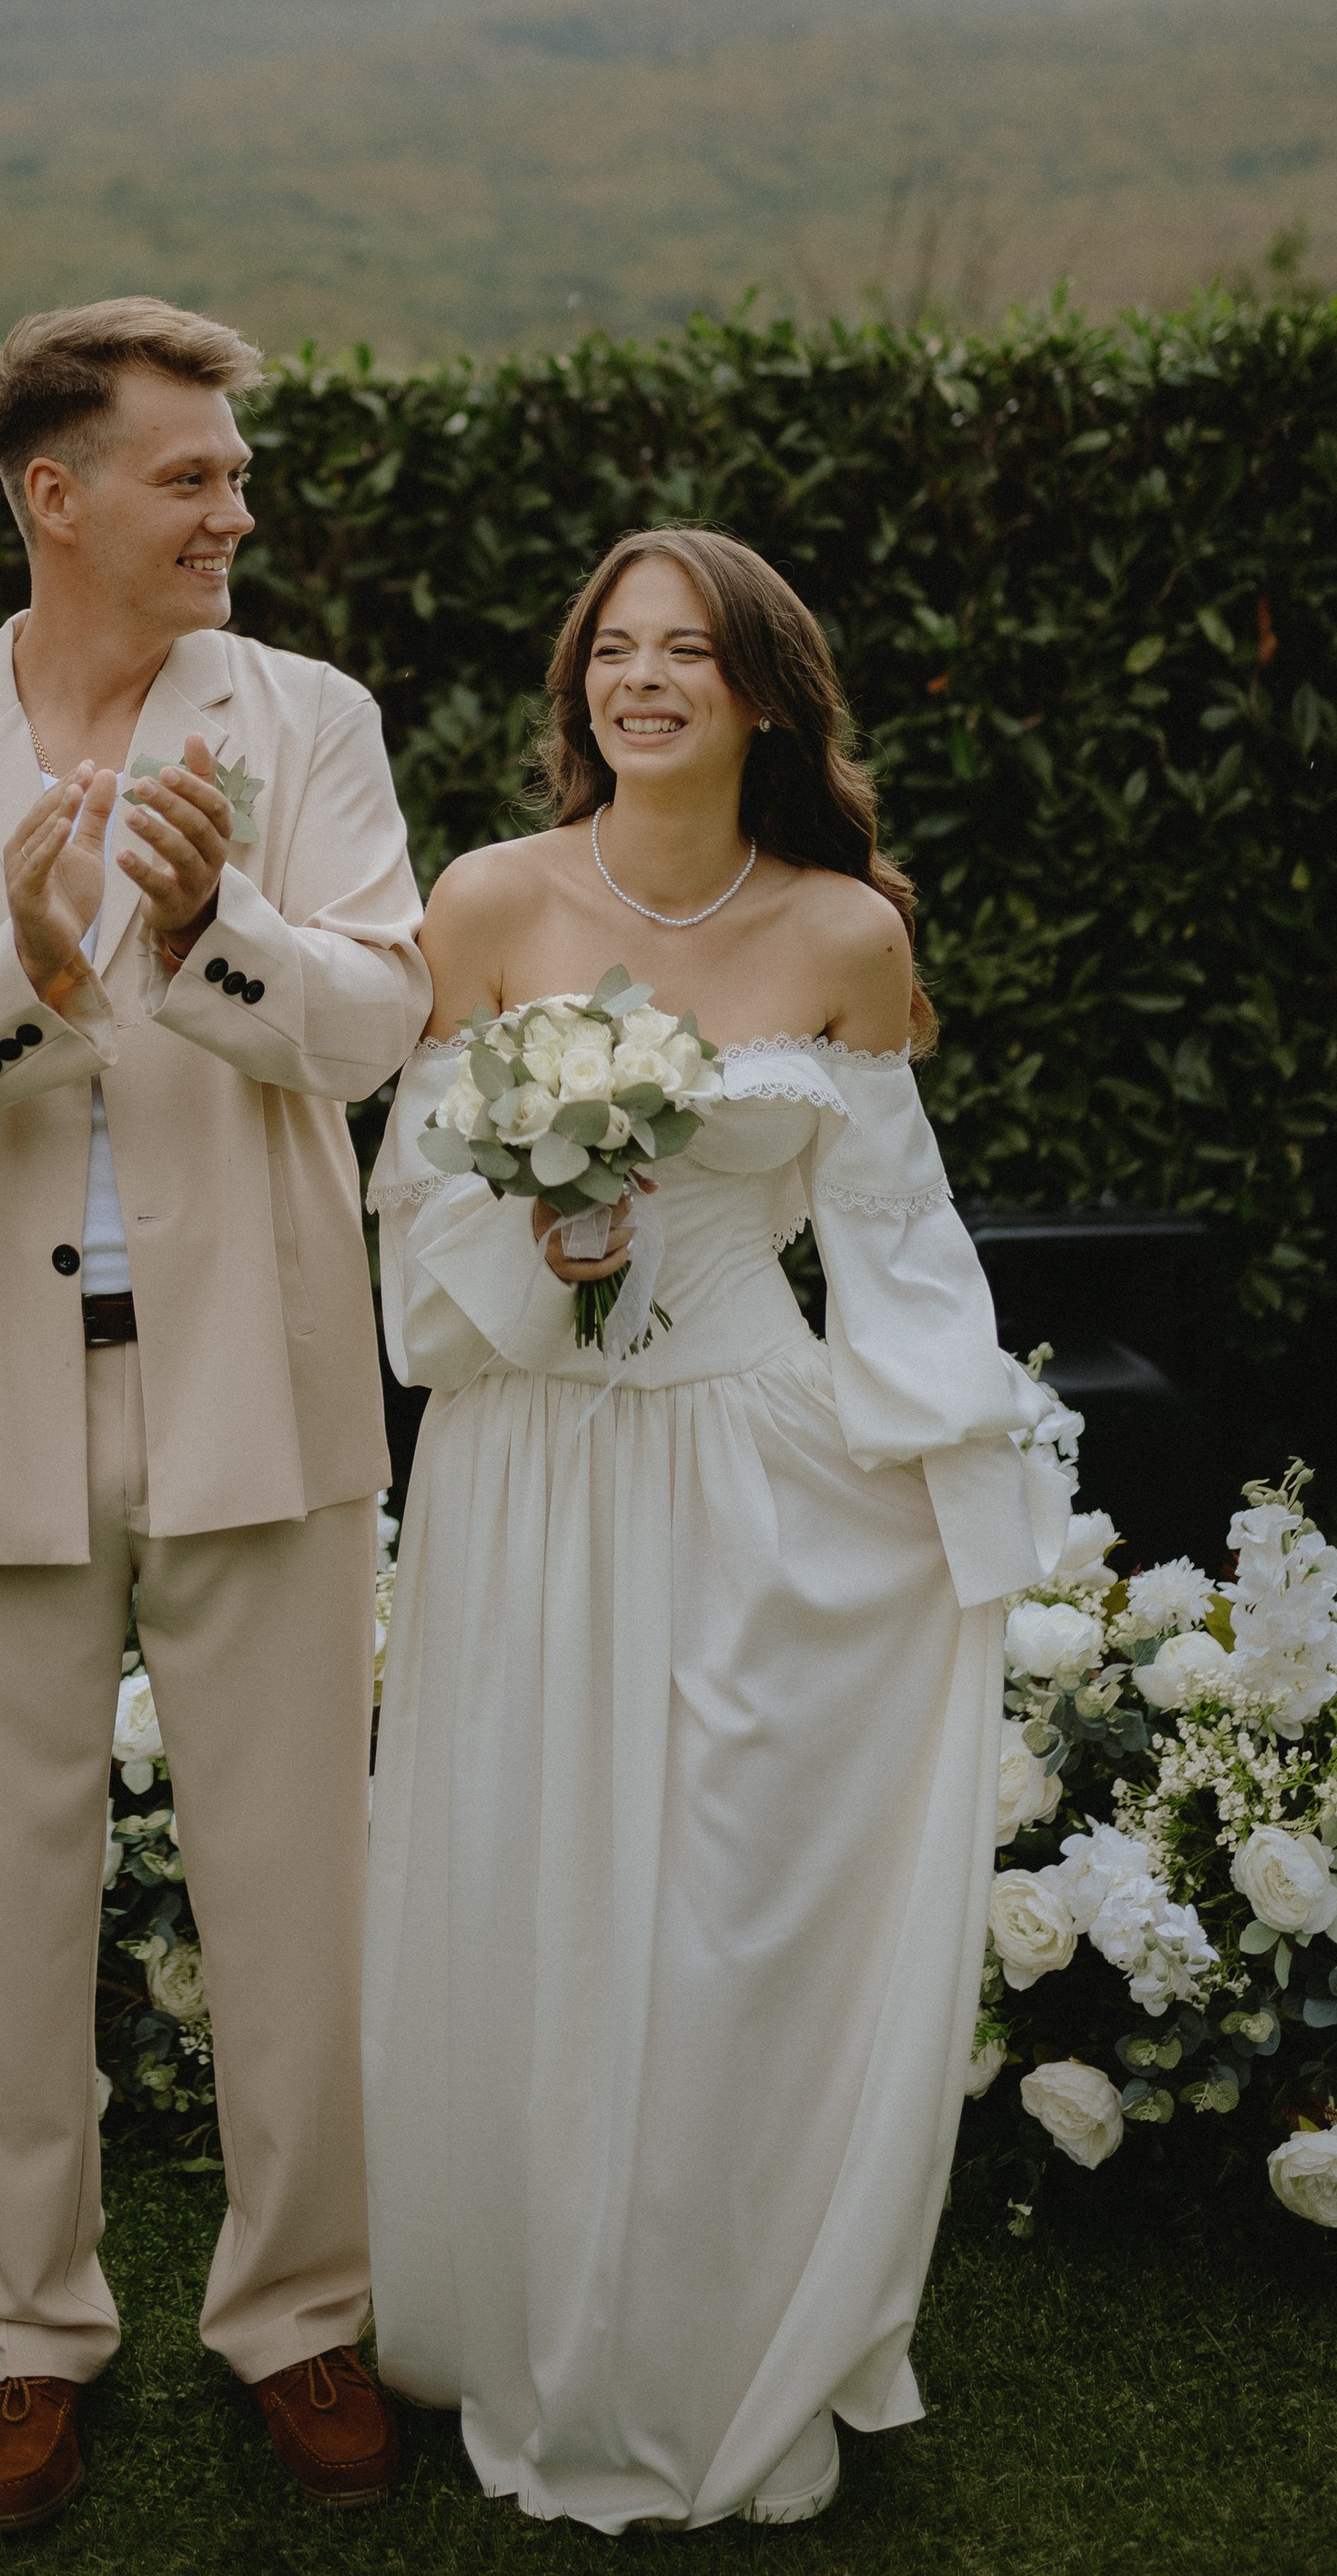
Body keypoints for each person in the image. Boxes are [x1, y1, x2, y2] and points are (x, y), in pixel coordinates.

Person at [0, 298, 429, 2531]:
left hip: (264, 1390)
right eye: (193, 476)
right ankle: (21, 2343)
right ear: (54, 496)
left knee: (293, 1891)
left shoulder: (310, 720)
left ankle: (302, 2318)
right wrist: (29, 971)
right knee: (5, 1903)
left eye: (235, 475)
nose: (233, 509)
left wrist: (209, 917)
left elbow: (373, 1025)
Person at [364, 527, 1069, 2533]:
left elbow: (899, 1241)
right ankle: (522, 2309)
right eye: (613, 648)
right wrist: (534, 1226)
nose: (640, 679)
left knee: (724, 1885)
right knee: (531, 1859)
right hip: (525, 1449)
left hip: (755, 1449)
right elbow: (411, 1205)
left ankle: (716, 2316)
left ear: (762, 694)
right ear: (578, 683)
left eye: (687, 653)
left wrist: (951, 1469)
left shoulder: (843, 934)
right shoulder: (486, 902)